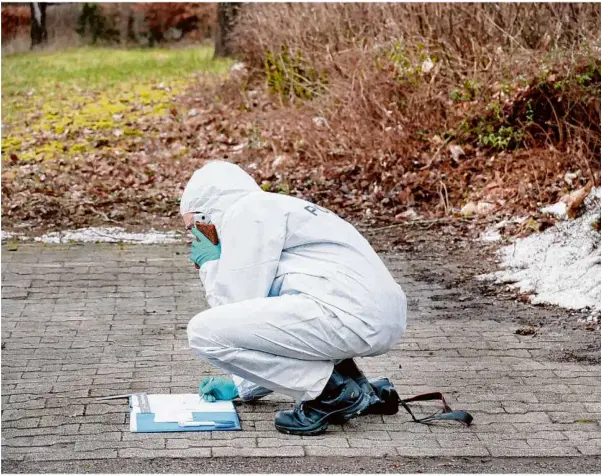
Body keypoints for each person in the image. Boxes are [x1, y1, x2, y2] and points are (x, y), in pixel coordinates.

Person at [180, 160, 407, 435]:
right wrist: (243, 388)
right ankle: (360, 387)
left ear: (206, 214)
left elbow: (234, 308)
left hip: (346, 314)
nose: (193, 236)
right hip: (372, 314)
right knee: (293, 309)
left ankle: (332, 394)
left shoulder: (245, 213)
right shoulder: (278, 206)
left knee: (203, 333)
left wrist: (210, 264)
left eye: (192, 226)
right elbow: (268, 331)